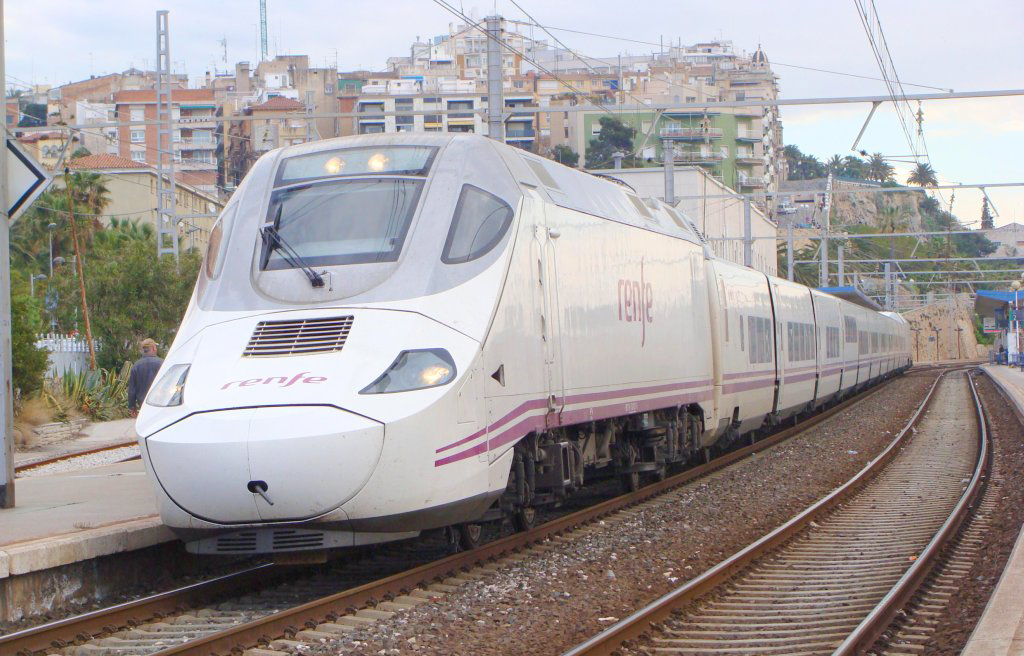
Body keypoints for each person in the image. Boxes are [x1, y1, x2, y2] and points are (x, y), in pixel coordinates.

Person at [128, 339, 163, 411]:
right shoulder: (163, 363)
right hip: (160, 403)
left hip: (143, 404)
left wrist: (132, 406)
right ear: (153, 348)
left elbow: (132, 389)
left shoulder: (136, 365)